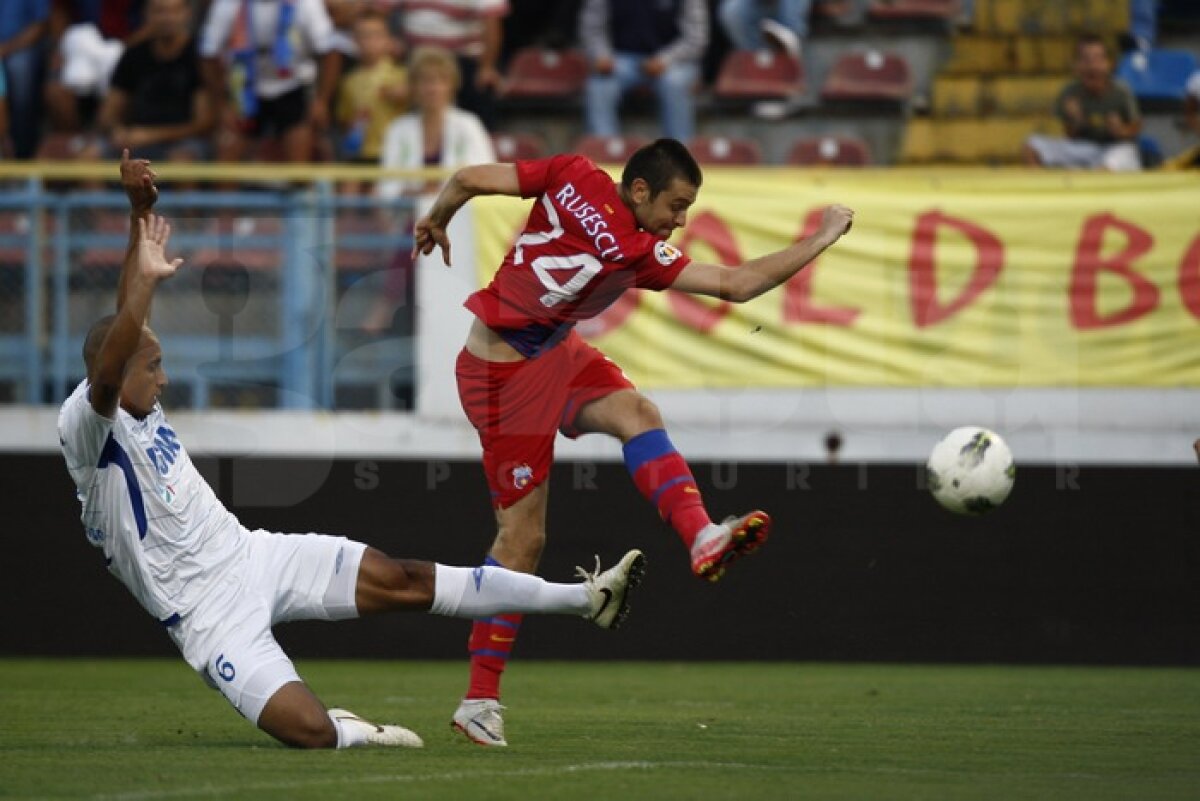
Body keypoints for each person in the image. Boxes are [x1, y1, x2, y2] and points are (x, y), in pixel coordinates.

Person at [57, 151, 647, 750]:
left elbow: (124, 329)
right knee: (310, 734)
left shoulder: (136, 394)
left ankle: (585, 598)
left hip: (251, 556)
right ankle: (353, 731)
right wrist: (144, 284)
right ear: (117, 370)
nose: (163, 379)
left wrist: (139, 213)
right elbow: (114, 356)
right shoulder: (88, 424)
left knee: (404, 578)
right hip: (204, 616)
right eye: (153, 366)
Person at [412, 138, 854, 746]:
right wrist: (822, 236)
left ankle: (702, 536)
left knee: (639, 413)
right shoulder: (633, 250)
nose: (681, 220)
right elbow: (741, 283)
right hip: (502, 381)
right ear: (640, 190)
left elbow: (465, 177)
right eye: (677, 204)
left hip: (549, 349)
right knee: (522, 538)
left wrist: (436, 218)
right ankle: (479, 700)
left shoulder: (571, 171)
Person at [365, 46, 495, 334]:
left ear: (451, 85)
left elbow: (486, 178)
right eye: (424, 81)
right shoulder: (399, 129)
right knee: (418, 226)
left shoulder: (469, 127)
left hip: (459, 220)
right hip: (407, 218)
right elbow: (386, 187)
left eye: (439, 80)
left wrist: (437, 192)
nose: (432, 88)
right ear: (413, 87)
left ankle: (386, 303)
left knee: (422, 227)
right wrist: (413, 193)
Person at [199, 0, 341, 166]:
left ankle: (299, 188)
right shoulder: (228, 4)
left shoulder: (306, 4)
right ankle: (225, 192)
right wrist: (221, 104)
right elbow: (208, 53)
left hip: (292, 85)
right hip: (244, 87)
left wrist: (322, 100)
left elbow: (330, 51)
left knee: (300, 153)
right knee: (227, 150)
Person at [81, 0, 212, 164]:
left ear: (187, 14)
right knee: (90, 155)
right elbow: (108, 113)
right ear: (146, 14)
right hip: (136, 139)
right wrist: (117, 130)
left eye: (174, 11)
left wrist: (151, 135)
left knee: (183, 159)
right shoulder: (133, 54)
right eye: (159, 11)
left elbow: (203, 124)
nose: (167, 18)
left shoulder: (199, 57)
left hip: (181, 141)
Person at [579, 0, 708, 143]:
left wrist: (664, 60)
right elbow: (591, 29)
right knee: (600, 84)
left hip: (675, 62)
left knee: (673, 83)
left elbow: (696, 39)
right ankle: (604, 153)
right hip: (622, 59)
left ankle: (679, 152)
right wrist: (601, 55)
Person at [1024, 34, 1142, 172]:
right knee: (1031, 145)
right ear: (1077, 66)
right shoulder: (1070, 93)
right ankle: (1043, 189)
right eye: (1086, 60)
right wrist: (1076, 120)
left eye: (1098, 59)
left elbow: (1136, 127)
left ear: (1109, 64)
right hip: (1084, 149)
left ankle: (1097, 175)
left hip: (1114, 149)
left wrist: (1120, 130)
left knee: (1122, 155)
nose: (1092, 66)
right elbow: (1068, 135)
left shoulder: (1121, 91)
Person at [395, 0, 507, 131]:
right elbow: (379, 10)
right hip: (415, 59)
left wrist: (487, 66)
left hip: (464, 62)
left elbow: (492, 22)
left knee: (478, 109)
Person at [334, 10, 408, 172]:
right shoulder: (349, 81)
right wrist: (353, 122)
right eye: (363, 35)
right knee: (349, 189)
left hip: (391, 151)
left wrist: (403, 94)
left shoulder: (400, 75)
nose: (369, 41)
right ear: (354, 41)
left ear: (389, 40)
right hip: (359, 151)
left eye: (375, 35)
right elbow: (343, 119)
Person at [0, 0, 49, 158]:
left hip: (20, 48)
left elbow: (40, 25)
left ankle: (22, 150)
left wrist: (6, 48)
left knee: (19, 68)